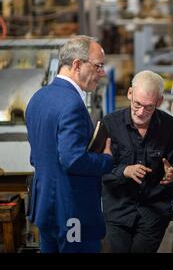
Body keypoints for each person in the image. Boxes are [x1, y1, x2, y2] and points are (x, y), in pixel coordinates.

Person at [25, 36, 114, 253]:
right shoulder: (72, 104)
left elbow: (36, 157)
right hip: (73, 214)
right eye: (98, 66)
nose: (102, 73)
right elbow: (72, 160)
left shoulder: (38, 98)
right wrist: (105, 160)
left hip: (46, 208)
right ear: (77, 65)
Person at [101, 70, 173, 253]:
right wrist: (123, 171)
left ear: (159, 102)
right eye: (137, 104)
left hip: (154, 213)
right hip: (117, 212)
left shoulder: (170, 127)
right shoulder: (109, 124)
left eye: (149, 107)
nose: (141, 112)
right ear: (130, 93)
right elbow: (97, 168)